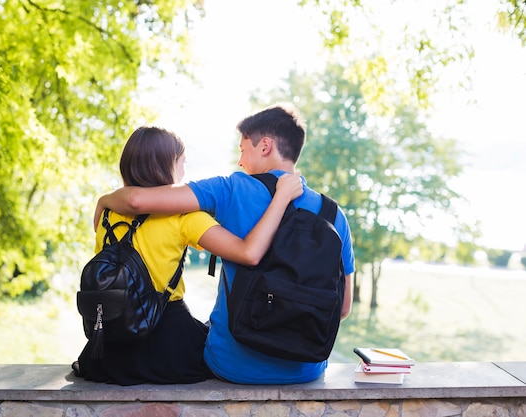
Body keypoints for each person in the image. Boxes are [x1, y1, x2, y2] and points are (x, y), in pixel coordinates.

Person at [93, 104, 355, 384]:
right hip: (307, 369)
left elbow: (138, 201)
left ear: (265, 146)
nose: (240, 161)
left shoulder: (230, 188)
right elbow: (342, 309)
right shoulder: (334, 214)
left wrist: (105, 200)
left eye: (243, 150)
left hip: (232, 366)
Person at [75, 125, 303, 385]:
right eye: (181, 163)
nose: (183, 172)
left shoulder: (108, 212)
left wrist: (105, 199)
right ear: (166, 165)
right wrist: (281, 198)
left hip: (108, 350)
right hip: (167, 346)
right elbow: (248, 253)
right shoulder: (184, 217)